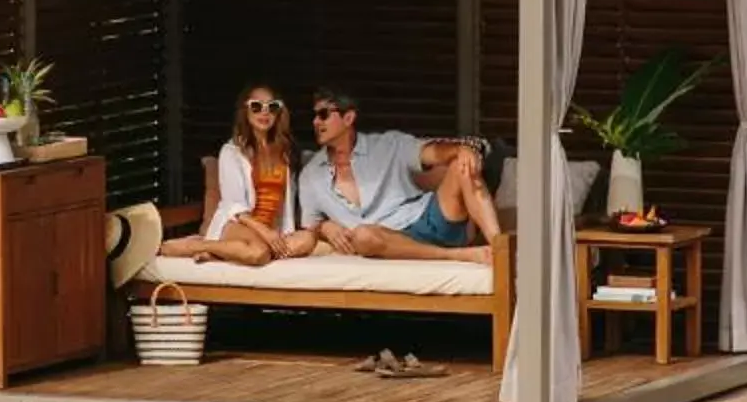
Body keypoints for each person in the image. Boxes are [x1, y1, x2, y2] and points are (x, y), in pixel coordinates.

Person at [290, 84, 503, 265]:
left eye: (324, 115)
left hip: (428, 219)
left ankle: (500, 249)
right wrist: (325, 227)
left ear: (348, 118)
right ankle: (456, 256)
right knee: (364, 236)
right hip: (388, 241)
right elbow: (308, 228)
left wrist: (460, 149)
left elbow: (431, 151)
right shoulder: (310, 176)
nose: (316, 122)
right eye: (314, 116)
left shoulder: (389, 144)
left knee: (460, 164)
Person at [163, 83, 308, 268]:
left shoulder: (284, 152)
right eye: (256, 106)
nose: (265, 113)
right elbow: (235, 208)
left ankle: (220, 253)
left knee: (307, 239)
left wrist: (277, 233)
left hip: (269, 228)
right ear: (245, 111)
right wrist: (265, 233)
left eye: (272, 107)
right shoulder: (232, 152)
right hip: (237, 224)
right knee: (259, 253)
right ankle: (198, 245)